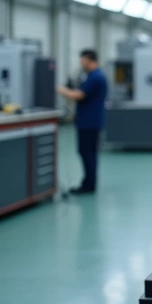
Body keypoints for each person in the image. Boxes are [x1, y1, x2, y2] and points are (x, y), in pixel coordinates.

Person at [57, 49, 108, 195]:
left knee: (87, 153)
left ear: (88, 59)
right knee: (88, 153)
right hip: (90, 121)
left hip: (89, 123)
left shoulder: (95, 77)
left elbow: (78, 95)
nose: (80, 63)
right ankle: (89, 182)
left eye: (82, 59)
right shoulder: (92, 76)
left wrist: (60, 89)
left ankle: (89, 184)